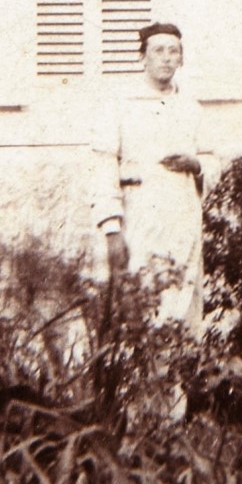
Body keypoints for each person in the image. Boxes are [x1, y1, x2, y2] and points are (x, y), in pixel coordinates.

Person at [95, 21, 212, 327]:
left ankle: (183, 371)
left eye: (174, 51)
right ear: (142, 57)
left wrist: (196, 164)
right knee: (143, 302)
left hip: (183, 215)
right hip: (140, 215)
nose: (166, 58)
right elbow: (103, 164)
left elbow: (213, 158)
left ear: (182, 59)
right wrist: (112, 229)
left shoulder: (191, 108)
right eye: (158, 50)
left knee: (183, 301)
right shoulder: (119, 106)